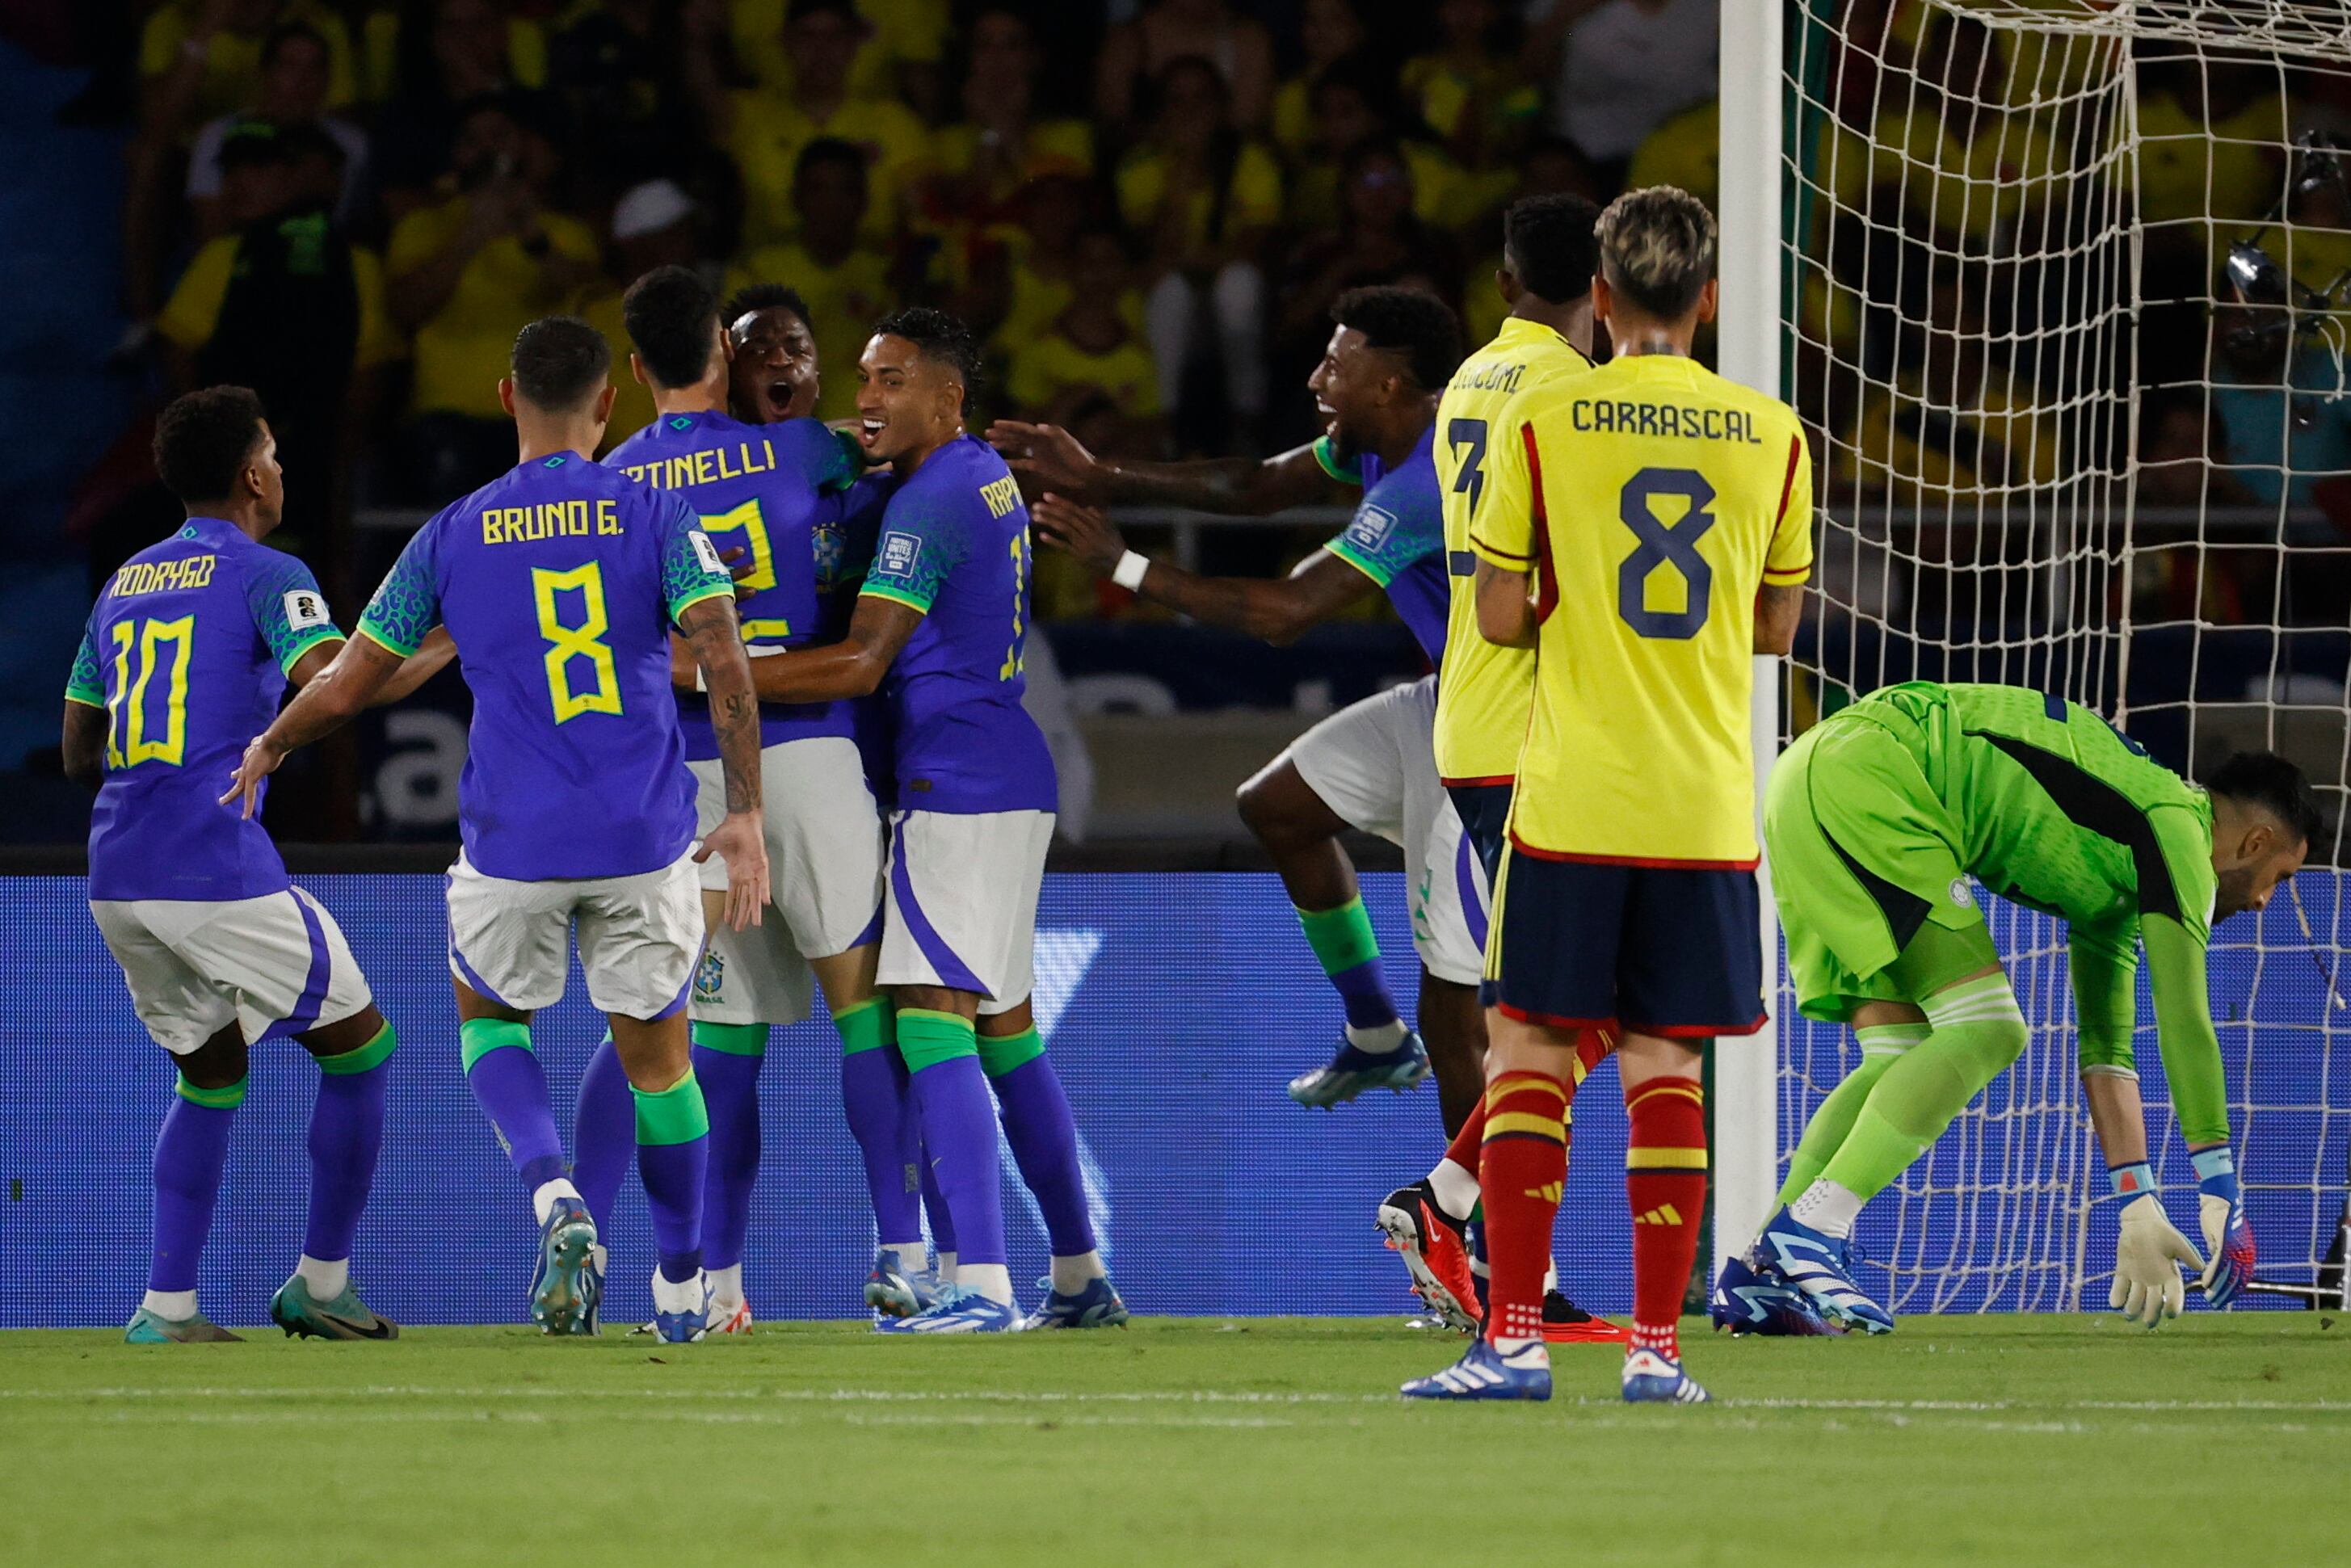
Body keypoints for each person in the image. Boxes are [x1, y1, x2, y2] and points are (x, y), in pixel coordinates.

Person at [222, 317, 768, 1344]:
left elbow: (346, 684)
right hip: (644, 837)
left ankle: (553, 1193)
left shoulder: (452, 531)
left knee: (489, 1022)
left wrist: (272, 746)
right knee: (662, 1063)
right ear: (609, 406)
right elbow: (728, 665)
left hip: (512, 842)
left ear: (506, 398)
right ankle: (685, 1289)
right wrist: (744, 815)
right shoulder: (658, 514)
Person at [1403, 186, 1813, 1405]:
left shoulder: (1546, 416)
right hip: (1702, 801)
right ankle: (1655, 1352)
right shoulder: (1772, 432)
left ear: (1597, 295)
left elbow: (1492, 611)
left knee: (1524, 1046)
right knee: (1663, 1070)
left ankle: (1513, 1339)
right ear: (1708, 299)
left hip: (1572, 791)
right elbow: (1774, 626)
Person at [676, 308, 1120, 1332]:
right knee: (1004, 1030)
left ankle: (982, 1285)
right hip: (1004, 770)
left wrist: (709, 670)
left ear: (948, 398)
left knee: (926, 1019)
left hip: (955, 784)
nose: (867, 399)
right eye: (865, 377)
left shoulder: (928, 502)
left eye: (892, 381)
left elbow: (861, 663)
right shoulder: (972, 478)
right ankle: (1077, 1274)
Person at [1010, 288, 1492, 1132]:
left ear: (1389, 384)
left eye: (1336, 366)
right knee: (1279, 805)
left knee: (1455, 1003)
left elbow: (1284, 615)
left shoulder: (1425, 482)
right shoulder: (1386, 432)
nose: (1315, 378)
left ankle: (1482, 1229)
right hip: (1451, 694)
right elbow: (1263, 484)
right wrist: (1103, 475)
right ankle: (1376, 1034)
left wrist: (1124, 567)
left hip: (1496, 729)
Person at [1724, 689, 2308, 1335]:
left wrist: (2138, 1201)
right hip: (1877, 776)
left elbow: (2109, 1051)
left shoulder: (2121, 878)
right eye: (2279, 877)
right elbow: (2186, 1021)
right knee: (1989, 1027)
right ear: (2254, 841)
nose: (2264, 902)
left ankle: (1763, 1267)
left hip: (1810, 775)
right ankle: (1812, 1229)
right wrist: (2219, 1186)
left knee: (1902, 1056)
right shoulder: (2176, 831)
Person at [66, 387, 444, 1344]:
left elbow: (78, 745)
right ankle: (320, 1285)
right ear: (250, 476)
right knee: (363, 1050)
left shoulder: (123, 582)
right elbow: (339, 685)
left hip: (118, 870)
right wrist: (450, 637)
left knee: (211, 1070)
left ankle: (167, 1309)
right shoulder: (270, 573)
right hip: (211, 861)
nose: (279, 469)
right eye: (272, 454)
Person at [574, 266, 905, 1335]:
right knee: (865, 1013)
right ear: (725, 350)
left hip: (685, 774)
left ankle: (712, 1284)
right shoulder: (805, 449)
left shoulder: (616, 479)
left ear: (633, 370)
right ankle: (900, 1255)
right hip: (804, 752)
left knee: (715, 1038)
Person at [1375, 194, 1615, 1343]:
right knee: (1555, 1010)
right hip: (1540, 729)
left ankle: (1460, 1210)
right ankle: (1488, 1251)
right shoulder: (1576, 394)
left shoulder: (1468, 380)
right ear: (1605, 284)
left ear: (1507, 276)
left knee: (1577, 1001)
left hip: (1476, 721)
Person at [385, 92, 599, 501]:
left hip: (543, 418)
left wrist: (532, 236)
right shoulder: (422, 228)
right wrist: (471, 236)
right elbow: (406, 309)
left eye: (499, 136)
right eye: (472, 139)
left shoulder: (563, 232)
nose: (487, 148)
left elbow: (581, 291)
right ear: (455, 155)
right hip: (446, 418)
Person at [739, 140, 898, 422]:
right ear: (796, 198)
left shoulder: (889, 271)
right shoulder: (757, 272)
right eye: (818, 190)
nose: (832, 204)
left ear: (864, 200)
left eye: (845, 191)